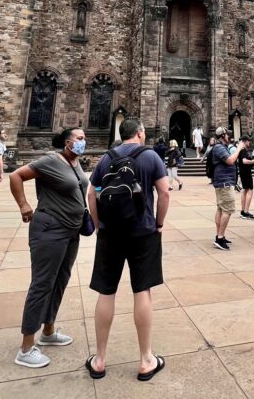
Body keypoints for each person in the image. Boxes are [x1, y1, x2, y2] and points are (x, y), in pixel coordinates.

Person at [86, 118, 169, 382]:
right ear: (141, 133)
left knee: (106, 291)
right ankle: (146, 359)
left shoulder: (106, 157)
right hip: (143, 231)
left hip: (110, 233)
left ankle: (99, 360)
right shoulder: (150, 157)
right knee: (142, 290)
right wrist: (158, 224)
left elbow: (91, 193)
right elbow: (165, 193)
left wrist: (99, 225)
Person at [9, 127, 88, 368]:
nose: (84, 142)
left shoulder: (76, 163)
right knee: (43, 283)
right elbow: (16, 175)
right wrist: (23, 205)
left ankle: (49, 331)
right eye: (80, 138)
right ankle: (25, 347)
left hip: (71, 230)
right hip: (50, 228)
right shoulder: (51, 160)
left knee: (60, 279)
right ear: (67, 142)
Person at [209, 127, 245, 250]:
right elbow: (230, 161)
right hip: (224, 182)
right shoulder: (219, 147)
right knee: (228, 210)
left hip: (224, 182)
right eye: (227, 134)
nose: (229, 136)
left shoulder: (222, 147)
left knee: (221, 208)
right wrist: (239, 148)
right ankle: (220, 238)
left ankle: (219, 235)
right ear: (223, 135)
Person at [236, 134, 254, 220]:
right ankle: (246, 211)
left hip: (242, 172)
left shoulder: (240, 150)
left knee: (244, 190)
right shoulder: (243, 150)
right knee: (250, 190)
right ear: (245, 141)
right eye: (248, 141)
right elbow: (244, 161)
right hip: (246, 172)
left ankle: (243, 210)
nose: (249, 142)